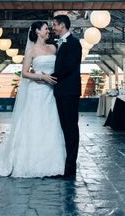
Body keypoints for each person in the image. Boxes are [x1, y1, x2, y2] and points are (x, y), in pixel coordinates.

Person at [0, 21, 66, 178]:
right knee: (33, 122)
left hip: (51, 92)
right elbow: (25, 73)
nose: (49, 31)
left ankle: (53, 161)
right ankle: (28, 160)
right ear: (37, 31)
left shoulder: (54, 48)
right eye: (46, 29)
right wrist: (41, 76)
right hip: (37, 90)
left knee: (50, 123)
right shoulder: (31, 51)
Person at [50, 14, 82, 178]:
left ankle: (70, 168)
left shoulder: (75, 43)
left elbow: (69, 67)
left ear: (62, 25)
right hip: (61, 91)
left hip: (69, 92)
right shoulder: (59, 43)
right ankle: (65, 163)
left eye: (54, 24)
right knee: (64, 127)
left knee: (71, 128)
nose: (52, 27)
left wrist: (50, 77)